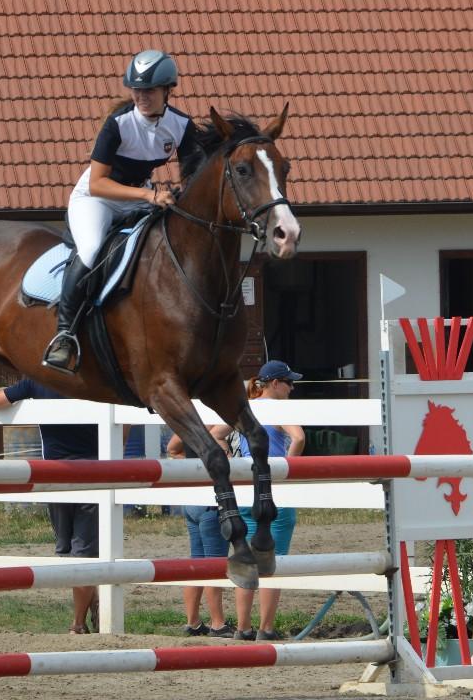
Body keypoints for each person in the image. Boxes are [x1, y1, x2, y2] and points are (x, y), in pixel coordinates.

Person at [43, 50, 199, 372]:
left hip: (140, 196)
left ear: (167, 90)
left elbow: (191, 177)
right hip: (96, 198)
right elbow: (98, 183)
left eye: (149, 90)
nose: (142, 97)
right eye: (137, 90)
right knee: (91, 249)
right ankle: (64, 334)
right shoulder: (118, 124)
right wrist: (148, 195)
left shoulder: (181, 125)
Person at [0, 380, 101, 634]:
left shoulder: (37, 382)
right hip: (92, 473)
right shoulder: (91, 381)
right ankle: (92, 601)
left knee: (72, 552)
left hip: (55, 476)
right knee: (83, 551)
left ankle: (78, 623)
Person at [208, 360, 306, 641]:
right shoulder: (278, 410)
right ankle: (266, 628)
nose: (291, 388)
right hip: (274, 492)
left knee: (245, 559)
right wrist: (288, 469)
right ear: (275, 384)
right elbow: (298, 438)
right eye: (288, 383)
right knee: (274, 561)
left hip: (244, 491)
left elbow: (215, 435)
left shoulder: (245, 408)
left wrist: (231, 459)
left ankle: (243, 627)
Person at [166, 430, 235, 638]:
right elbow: (227, 460)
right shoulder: (217, 428)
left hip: (192, 501)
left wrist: (194, 467)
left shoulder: (190, 425)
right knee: (215, 564)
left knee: (196, 562)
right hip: (211, 502)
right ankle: (218, 623)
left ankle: (193, 621)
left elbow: (172, 448)